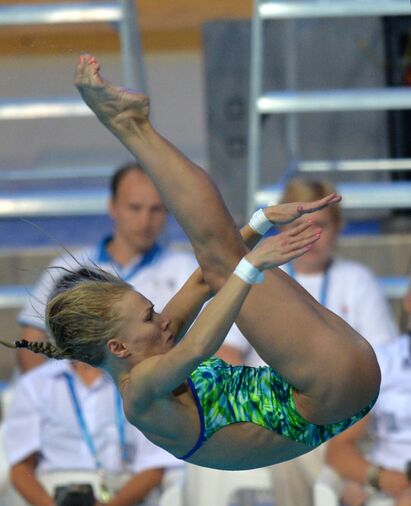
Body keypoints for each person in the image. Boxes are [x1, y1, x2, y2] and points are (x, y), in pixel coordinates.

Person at [1, 54, 380, 471]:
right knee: (224, 263)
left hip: (329, 387)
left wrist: (257, 223)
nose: (164, 319)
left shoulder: (152, 343)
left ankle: (134, 127)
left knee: (218, 259)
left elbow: (203, 280)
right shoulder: (140, 391)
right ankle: (132, 127)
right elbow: (201, 345)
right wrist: (251, 266)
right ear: (118, 347)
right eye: (149, 316)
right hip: (327, 393)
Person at [264, 178, 399, 506]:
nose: (312, 236)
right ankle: (355, 494)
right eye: (300, 225)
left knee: (308, 441)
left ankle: (356, 491)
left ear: (338, 230)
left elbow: (386, 366)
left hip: (351, 418)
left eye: (321, 226)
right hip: (281, 414)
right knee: (290, 445)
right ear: (280, 229)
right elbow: (227, 351)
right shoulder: (264, 280)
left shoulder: (357, 282)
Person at [17, 160, 245, 373]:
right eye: (135, 208)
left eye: (156, 209)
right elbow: (31, 345)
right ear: (113, 206)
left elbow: (229, 352)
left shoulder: (186, 267)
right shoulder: (66, 269)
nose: (145, 221)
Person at [3, 352, 180, 506]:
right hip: (49, 503)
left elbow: (153, 468)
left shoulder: (139, 385)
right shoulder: (36, 384)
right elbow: (21, 469)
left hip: (123, 501)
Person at [326, 278, 411, 506]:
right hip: (392, 493)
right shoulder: (382, 364)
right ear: (408, 300)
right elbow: (338, 451)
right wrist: (382, 479)